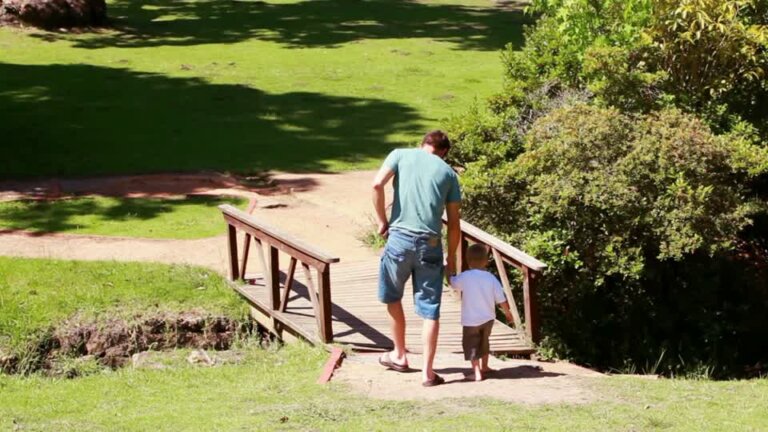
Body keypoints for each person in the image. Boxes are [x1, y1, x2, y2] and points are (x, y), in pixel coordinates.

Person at [371, 130, 461, 387]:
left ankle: (399, 355)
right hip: (430, 246)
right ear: (444, 152)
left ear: (423, 144)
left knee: (392, 297)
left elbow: (376, 184)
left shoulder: (400, 155)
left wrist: (381, 221)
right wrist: (452, 260)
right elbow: (455, 225)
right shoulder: (449, 174)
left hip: (399, 240)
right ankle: (427, 373)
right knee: (430, 310)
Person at [448, 243, 515, 382]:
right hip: (488, 319)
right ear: (486, 261)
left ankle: (477, 372)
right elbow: (501, 299)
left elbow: (453, 284)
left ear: (468, 261)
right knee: (484, 342)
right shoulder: (491, 278)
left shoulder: (465, 276)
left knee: (472, 344)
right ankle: (485, 366)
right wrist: (508, 314)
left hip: (470, 320)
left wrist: (448, 272)